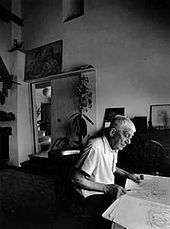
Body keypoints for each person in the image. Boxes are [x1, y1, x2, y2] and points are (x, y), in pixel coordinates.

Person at [71, 115, 143, 221]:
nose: (128, 142)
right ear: (113, 132)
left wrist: (128, 175)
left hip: (104, 191)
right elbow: (76, 178)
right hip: (90, 194)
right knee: (123, 214)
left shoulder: (114, 145)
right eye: (126, 136)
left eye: (130, 138)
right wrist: (108, 188)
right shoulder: (95, 146)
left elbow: (111, 167)